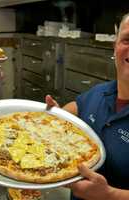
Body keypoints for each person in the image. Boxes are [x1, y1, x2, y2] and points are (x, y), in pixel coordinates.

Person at [46, 12, 129, 200]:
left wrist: (110, 195)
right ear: (114, 47)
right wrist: (54, 119)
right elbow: (78, 107)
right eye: (127, 39)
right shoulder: (101, 92)